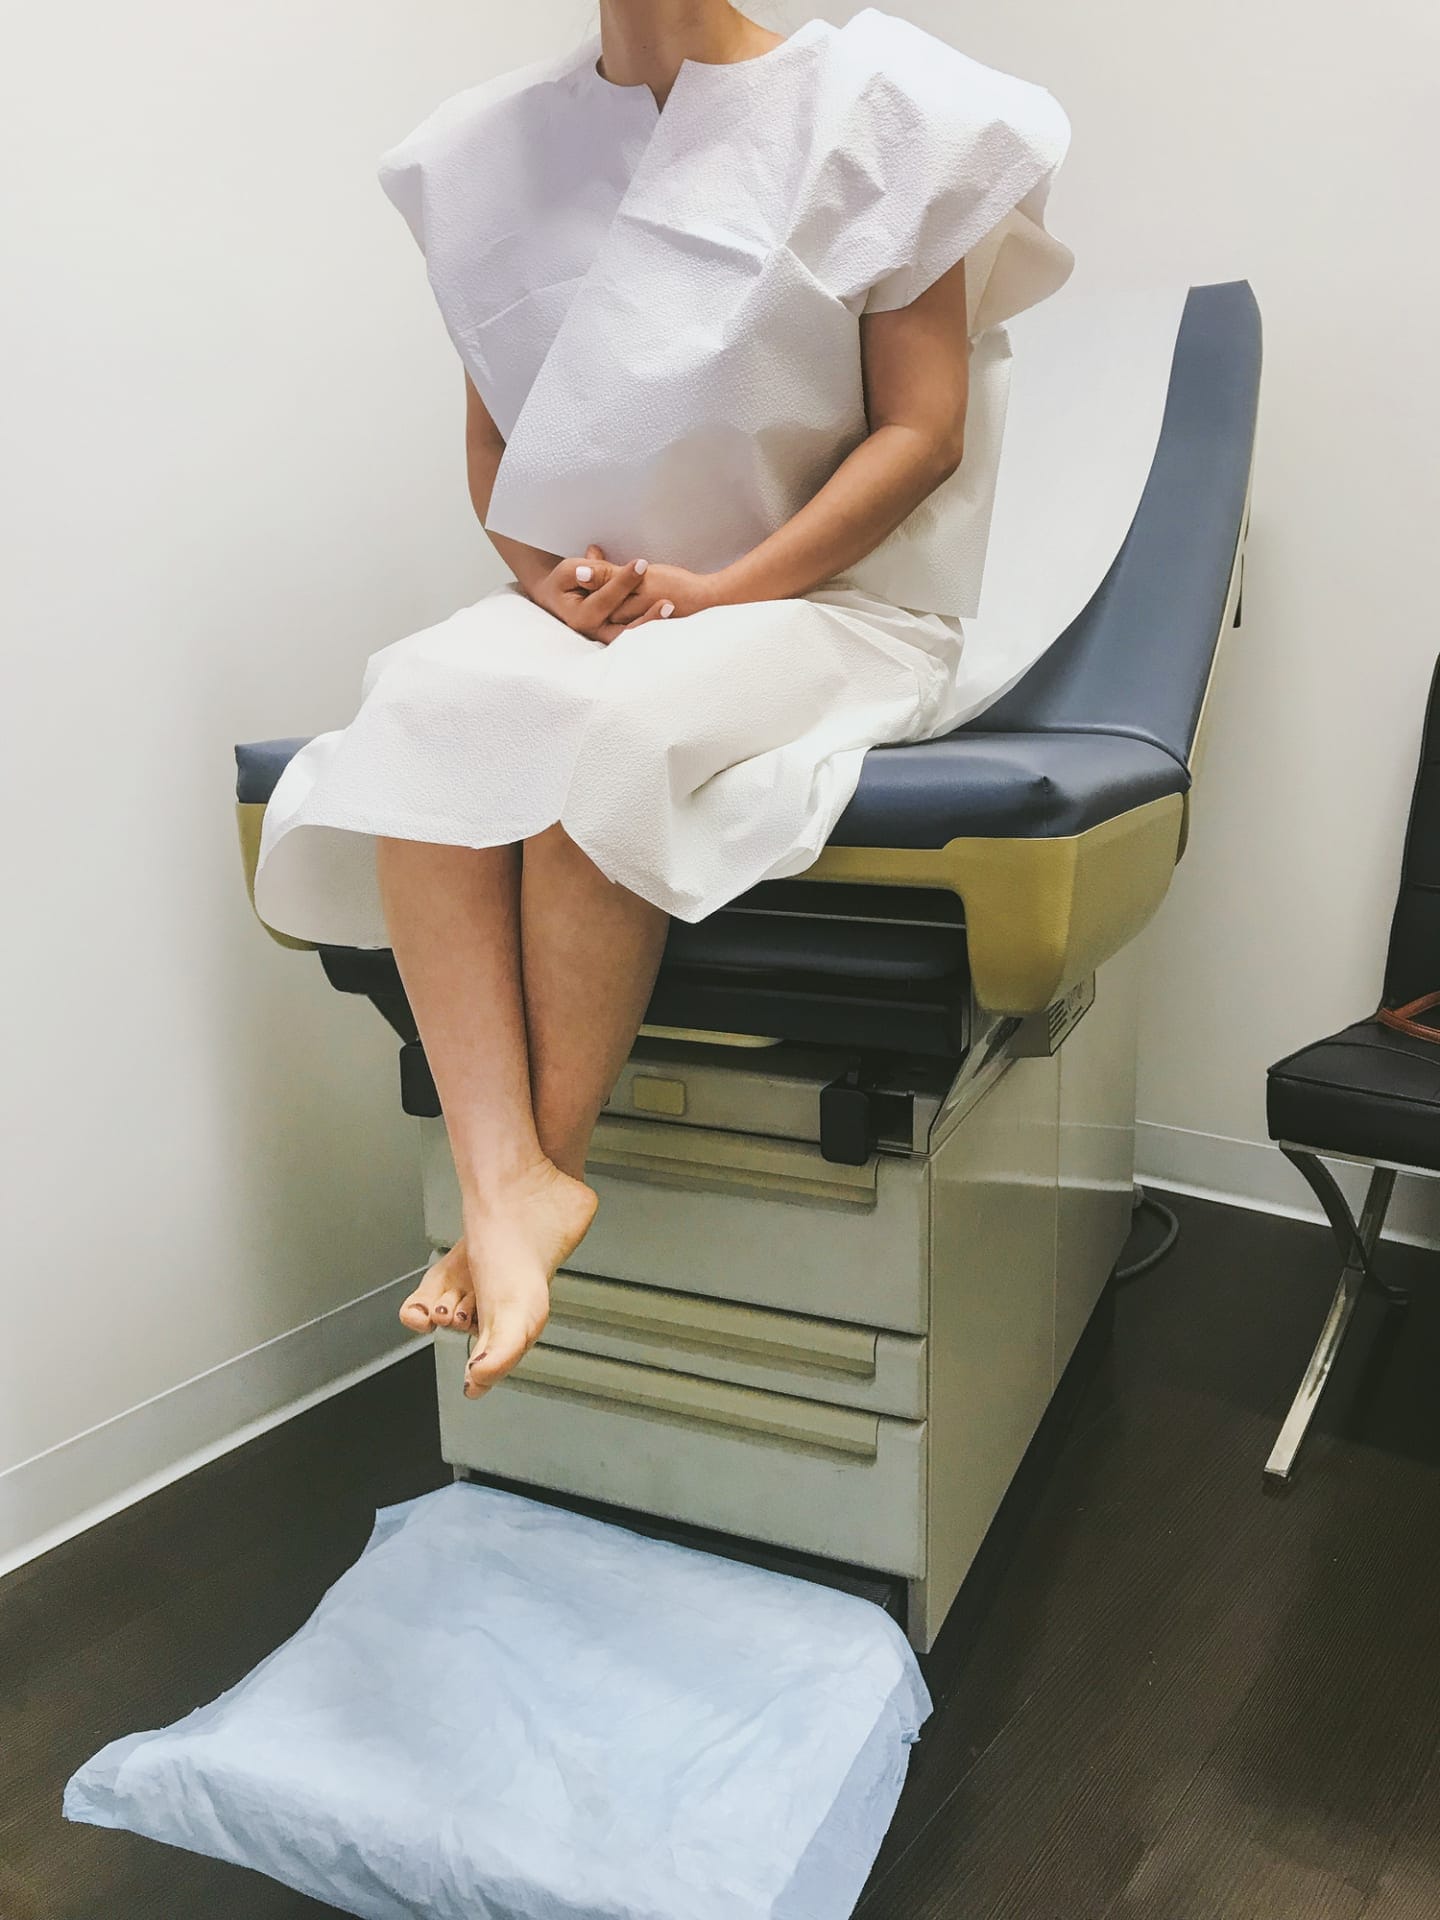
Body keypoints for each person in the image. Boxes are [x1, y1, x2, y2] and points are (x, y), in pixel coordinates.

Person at [252, 1, 1072, 1400]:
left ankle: (535, 1174)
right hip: (614, 611)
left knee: (615, 730)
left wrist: (728, 589)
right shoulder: (488, 156)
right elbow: (499, 445)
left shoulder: (883, 107)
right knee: (427, 704)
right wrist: (547, 576)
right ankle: (501, 1177)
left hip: (837, 607)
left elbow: (921, 433)